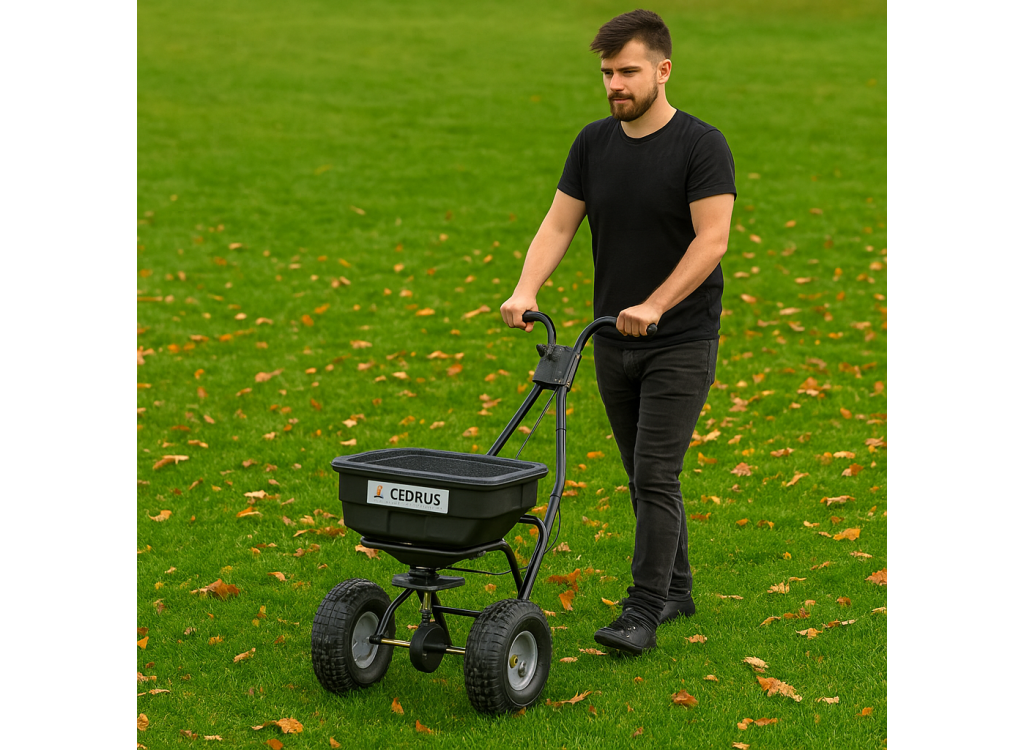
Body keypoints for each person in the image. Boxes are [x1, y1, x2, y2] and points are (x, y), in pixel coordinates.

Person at [500, 9, 736, 655]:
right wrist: (527, 288)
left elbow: (712, 240)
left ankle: (643, 610)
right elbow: (557, 226)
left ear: (663, 70)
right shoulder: (592, 144)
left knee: (656, 474)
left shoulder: (700, 145)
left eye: (628, 71)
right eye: (607, 73)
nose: (616, 85)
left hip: (681, 339)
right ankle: (678, 588)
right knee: (641, 475)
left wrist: (657, 303)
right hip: (610, 338)